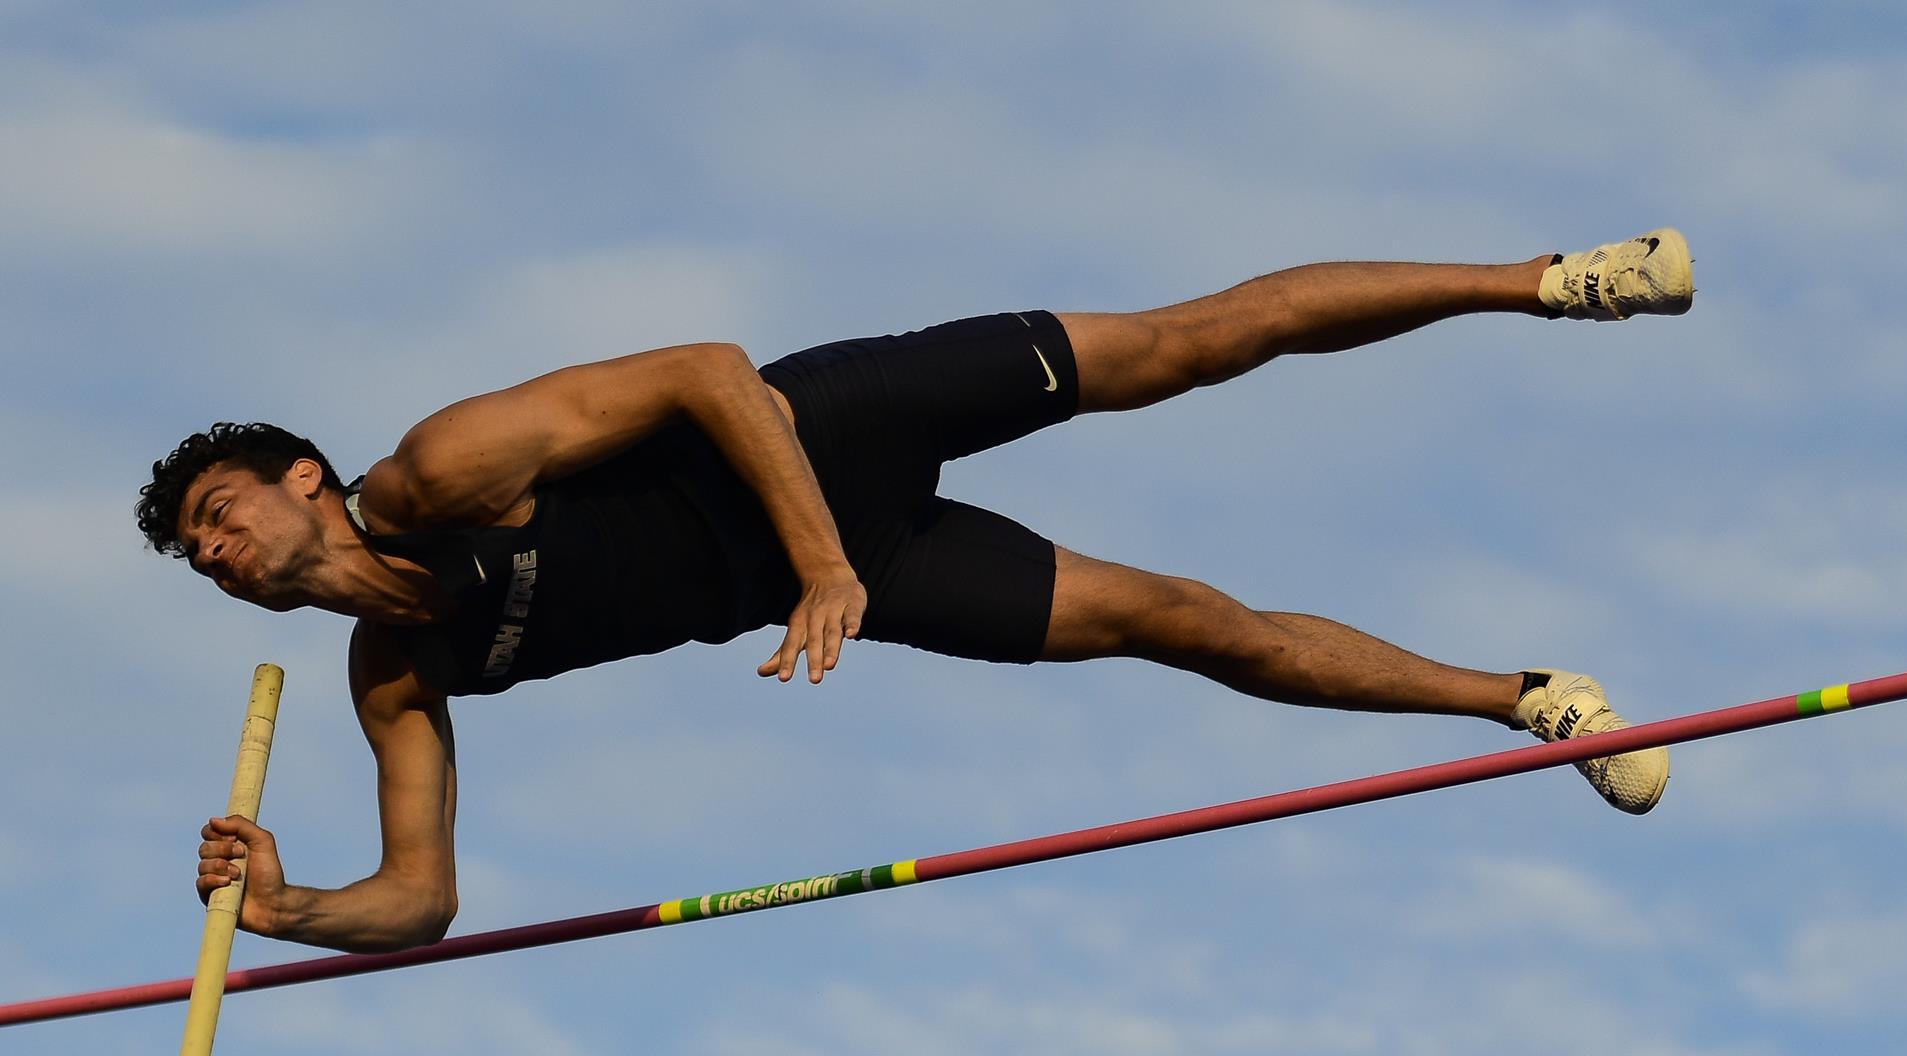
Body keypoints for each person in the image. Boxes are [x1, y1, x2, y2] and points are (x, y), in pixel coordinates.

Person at [137, 230, 1693, 953]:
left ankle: (1554, 280)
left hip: (826, 440)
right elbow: (426, 895)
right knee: (1191, 625)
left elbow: (704, 370)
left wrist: (817, 559)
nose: (215, 552)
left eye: (217, 513)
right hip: (850, 577)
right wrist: (286, 909)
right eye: (195, 554)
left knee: (1191, 344)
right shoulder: (397, 666)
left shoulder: (447, 466)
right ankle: (1532, 702)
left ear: (303, 480)